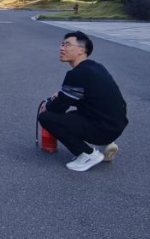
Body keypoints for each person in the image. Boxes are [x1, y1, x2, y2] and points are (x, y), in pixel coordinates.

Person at [38, 31, 128, 172]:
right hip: (115, 124)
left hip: (104, 128)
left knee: (46, 117)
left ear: (82, 50)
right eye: (62, 44)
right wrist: (61, 95)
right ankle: (107, 144)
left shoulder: (77, 74)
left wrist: (48, 105)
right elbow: (92, 97)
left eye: (67, 45)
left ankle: (87, 155)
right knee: (72, 116)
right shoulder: (96, 67)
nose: (62, 48)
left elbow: (58, 108)